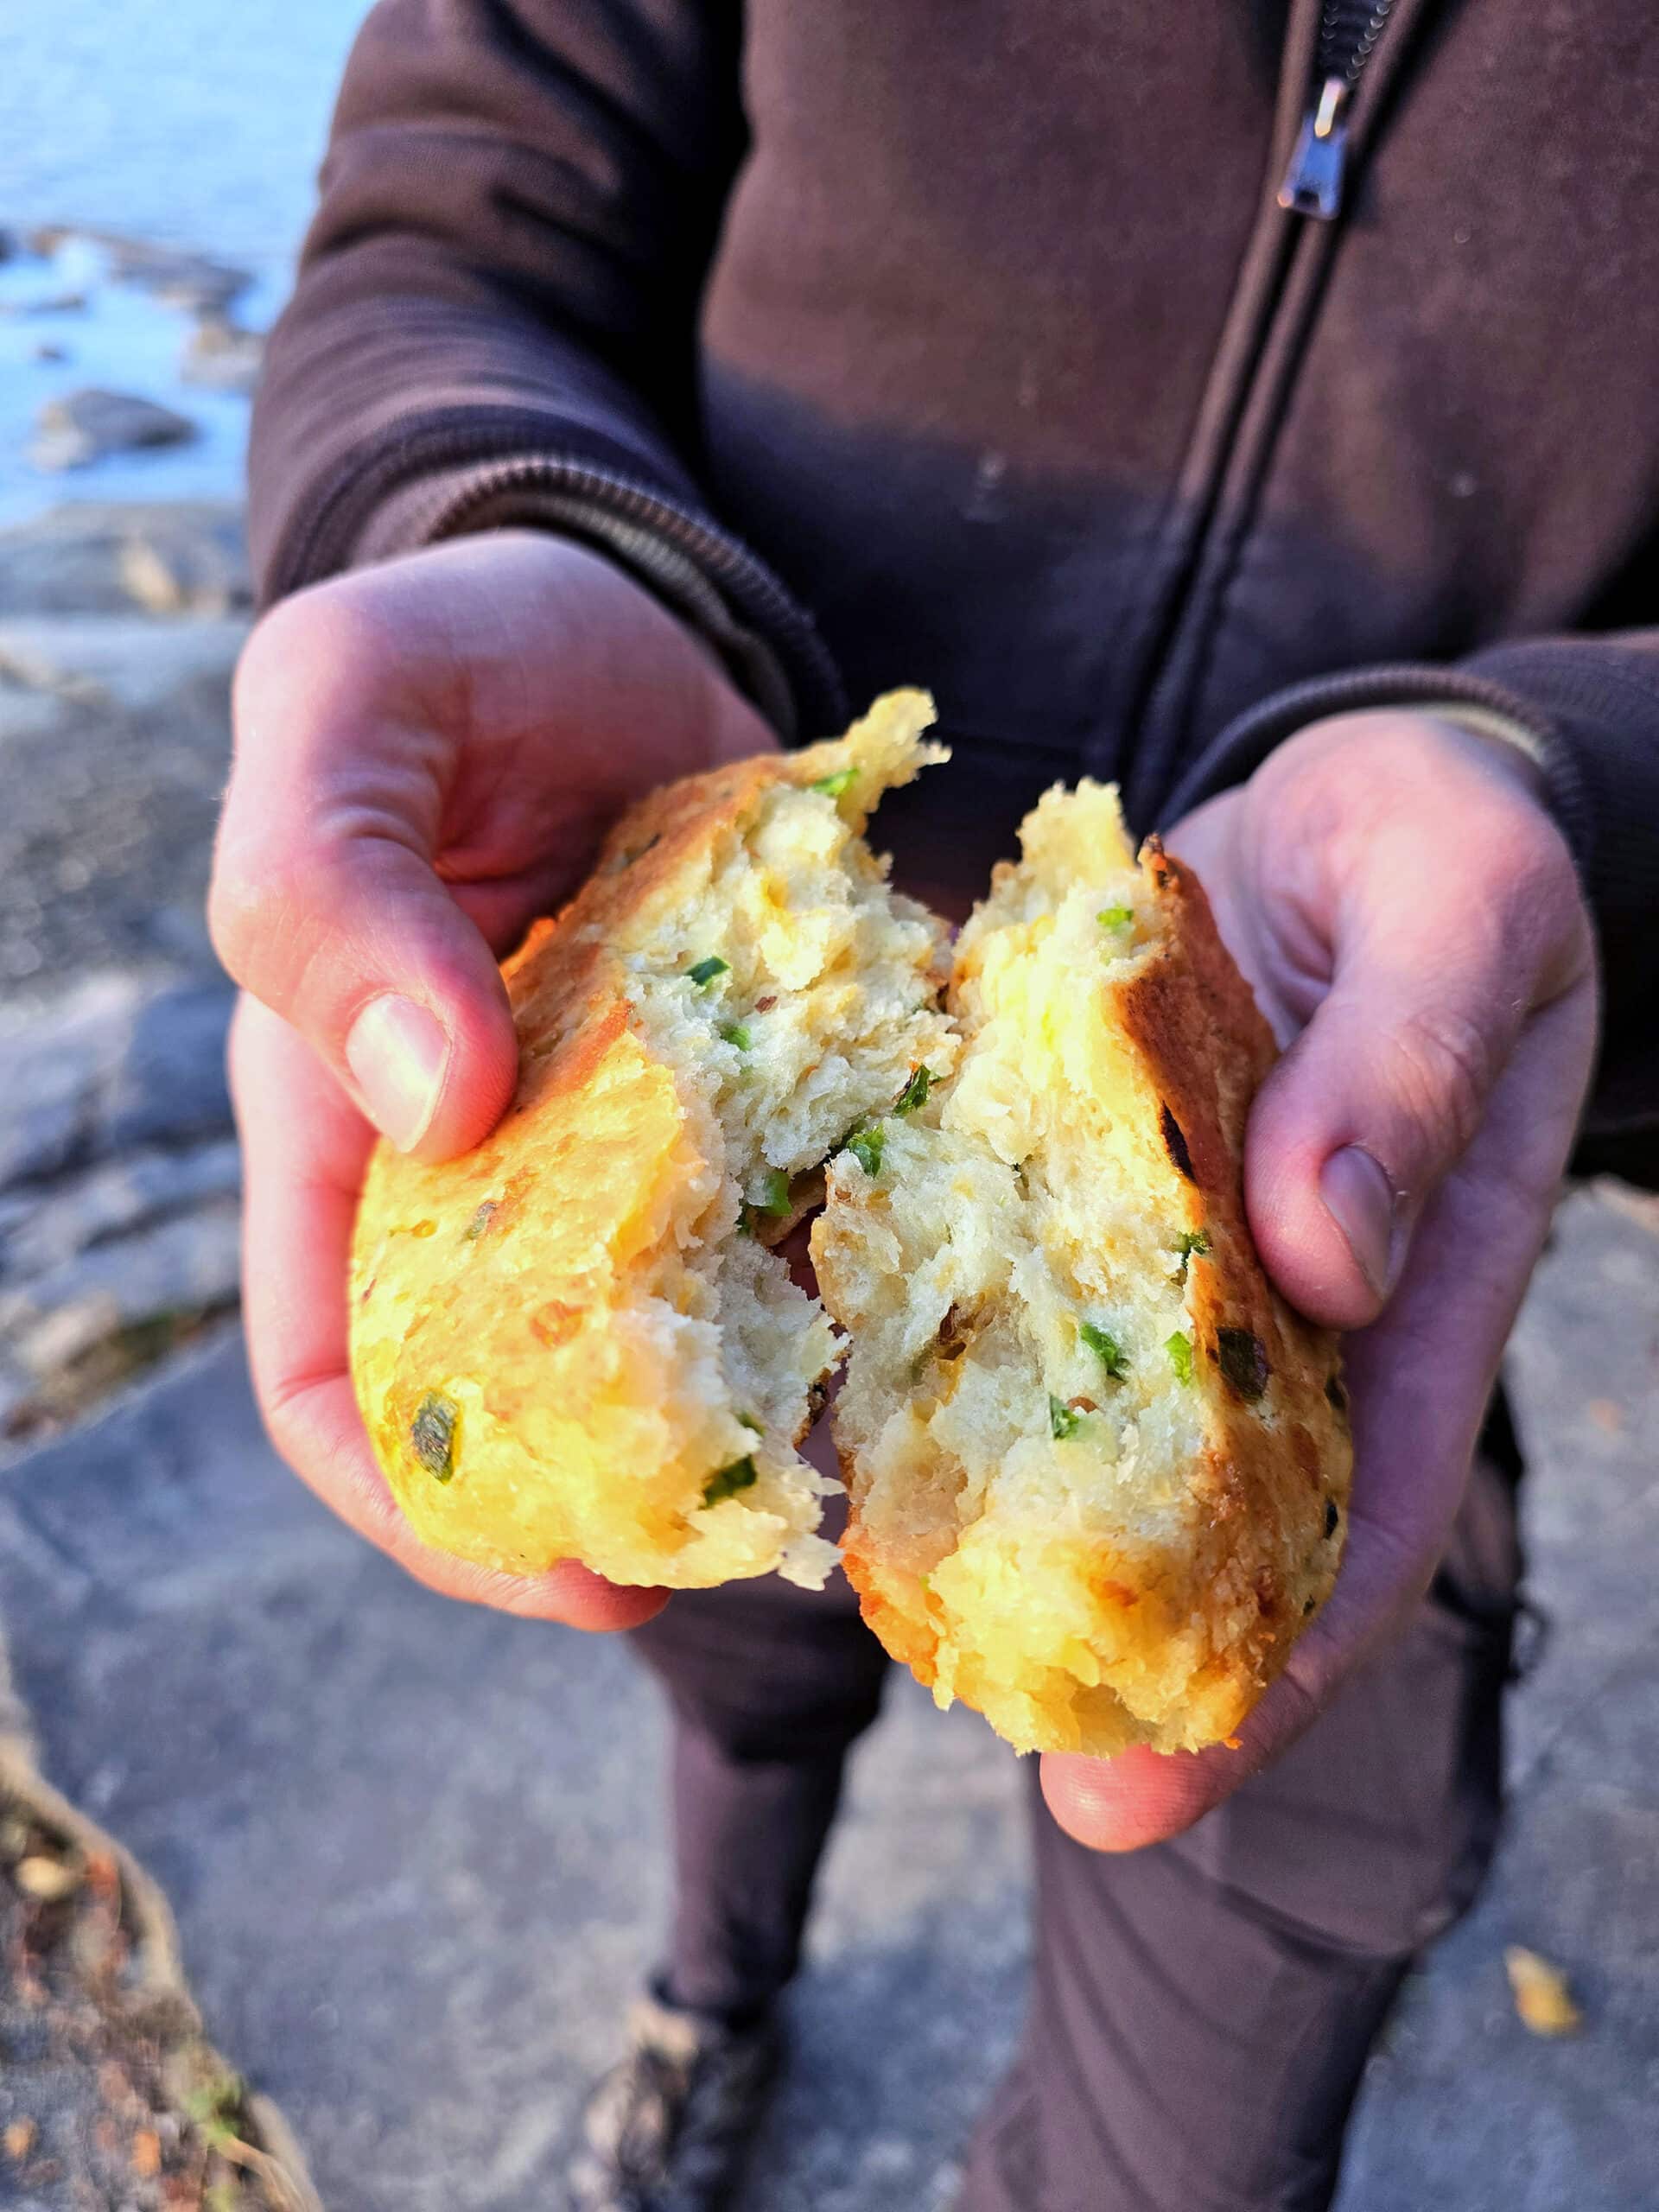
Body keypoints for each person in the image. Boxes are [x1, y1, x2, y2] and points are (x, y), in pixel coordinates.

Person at [208, 4, 1658, 2206]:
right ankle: (716, 1982)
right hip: (644, 929)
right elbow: (463, 198)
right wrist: (470, 510)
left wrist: (1588, 806)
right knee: (723, 1650)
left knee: (1214, 2060)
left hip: (1336, 1179)